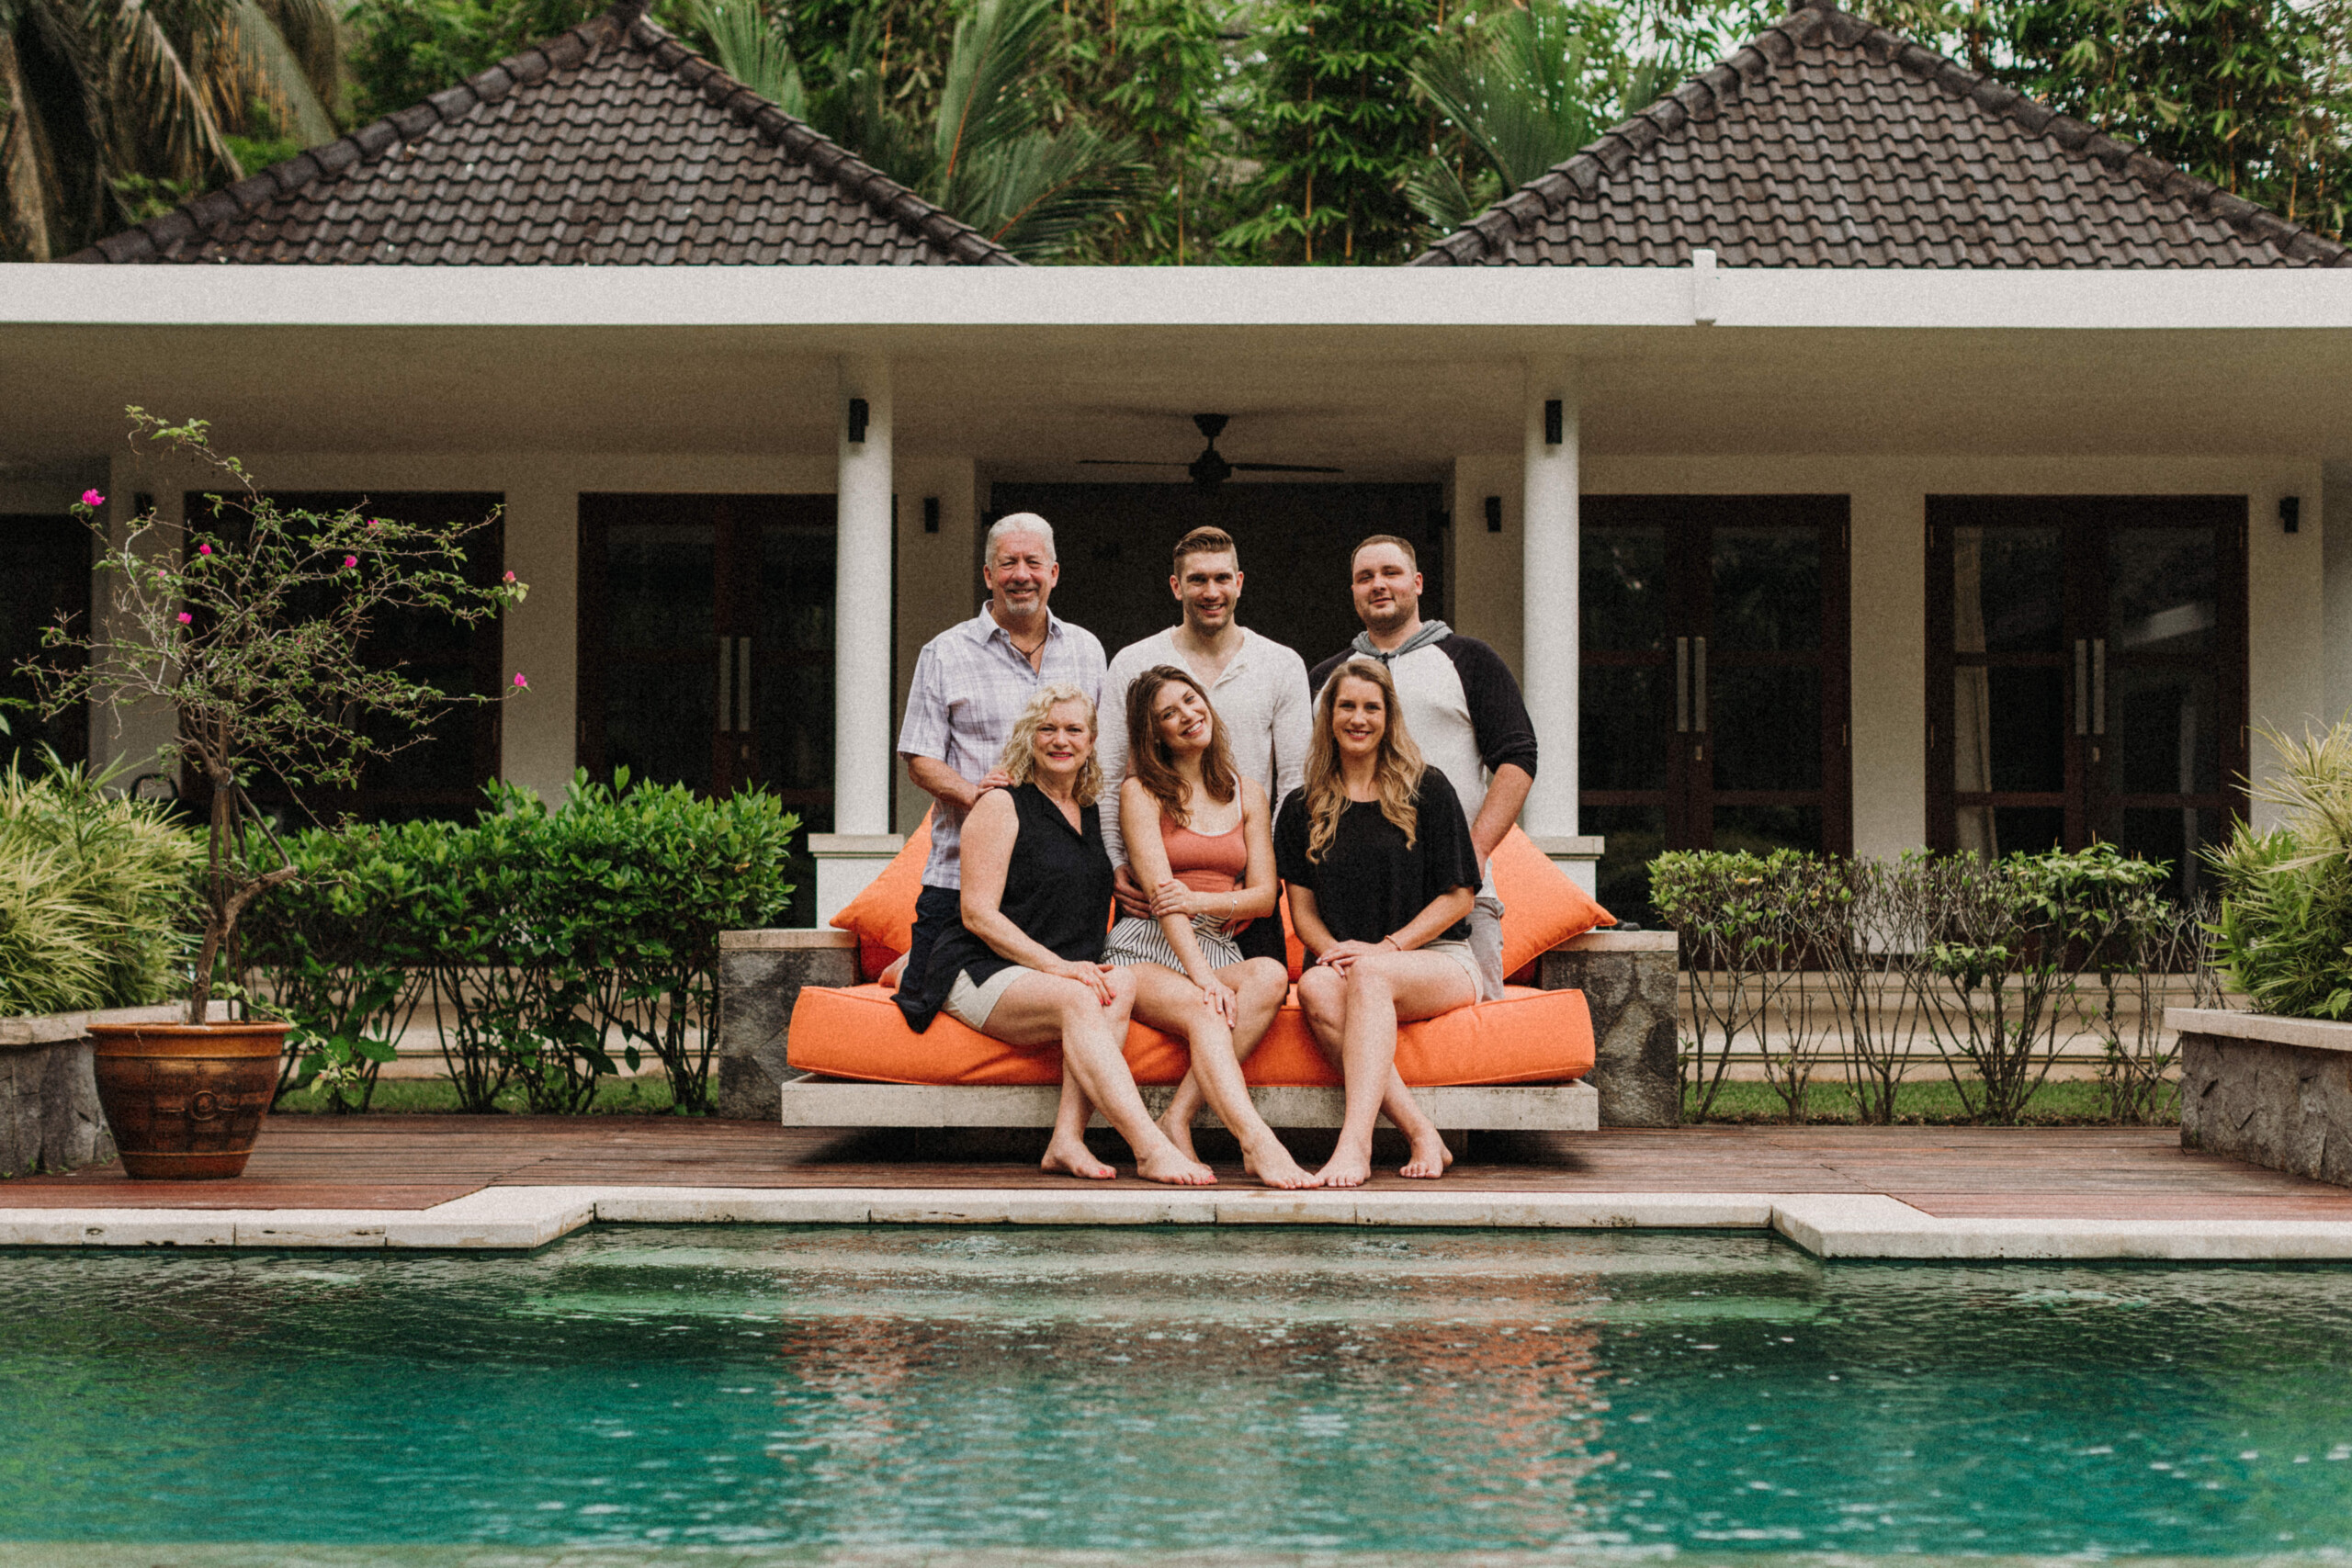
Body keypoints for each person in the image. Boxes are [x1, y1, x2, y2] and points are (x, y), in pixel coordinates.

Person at [899, 686, 1215, 1187]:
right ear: (1030, 737)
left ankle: (1066, 1140)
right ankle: (1150, 1148)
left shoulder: (1091, 814)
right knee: (1078, 998)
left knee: (1121, 985)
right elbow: (977, 915)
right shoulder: (1001, 804)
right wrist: (1061, 967)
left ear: (1091, 743)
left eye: (1074, 730)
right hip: (978, 966)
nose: (1060, 740)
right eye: (1048, 729)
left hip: (1046, 974)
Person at [1095, 525, 1311, 1154]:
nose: (1211, 590)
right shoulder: (1135, 662)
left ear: (1240, 583)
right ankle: (1246, 1137)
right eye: (1198, 579)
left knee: (1265, 979)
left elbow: (1294, 777)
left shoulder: (1280, 663)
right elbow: (1112, 774)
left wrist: (1249, 875)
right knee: (1204, 998)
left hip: (1239, 883)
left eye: (1223, 578)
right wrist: (1118, 863)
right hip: (1154, 893)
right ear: (1176, 587)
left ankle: (1181, 1115)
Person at [1106, 665, 1316, 1189]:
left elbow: (1266, 896)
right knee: (1208, 1008)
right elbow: (1162, 902)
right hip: (1150, 945)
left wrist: (1200, 897)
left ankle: (1176, 1116)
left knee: (1269, 973)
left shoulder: (1247, 792)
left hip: (1217, 943)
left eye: (1190, 701)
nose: (1186, 716)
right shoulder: (1142, 791)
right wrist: (1203, 980)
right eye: (1168, 715)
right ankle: (1257, 1141)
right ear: (1154, 734)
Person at [1275, 657, 1482, 1188]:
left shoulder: (1427, 790)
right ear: (1329, 716)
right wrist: (1337, 953)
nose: (1358, 718)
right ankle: (1421, 1130)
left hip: (1437, 960)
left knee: (1368, 976)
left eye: (1372, 707)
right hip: (1345, 963)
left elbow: (1459, 897)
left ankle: (1355, 1143)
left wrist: (1385, 949)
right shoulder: (1302, 806)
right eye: (1347, 706)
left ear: (1389, 717)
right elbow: (1303, 914)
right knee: (1318, 988)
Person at [896, 513, 1106, 1016]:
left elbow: (1102, 755)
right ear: (988, 575)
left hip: (1055, 884)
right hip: (962, 877)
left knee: (1082, 993)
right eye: (1007, 563)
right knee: (922, 993)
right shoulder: (945, 652)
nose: (1021, 574)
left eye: (1033, 562)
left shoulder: (1086, 649)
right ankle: (908, 963)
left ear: (1054, 572)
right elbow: (920, 758)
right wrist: (978, 797)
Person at [1311, 535, 1536, 1003]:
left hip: (1455, 894)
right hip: (1356, 901)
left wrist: (1475, 849)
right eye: (1364, 577)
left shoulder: (1470, 660)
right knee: (1355, 1022)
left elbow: (1517, 758)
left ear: (1416, 582)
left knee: (1470, 1047)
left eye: (1390, 573)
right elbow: (1305, 778)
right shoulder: (1327, 679)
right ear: (1352, 592)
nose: (1378, 585)